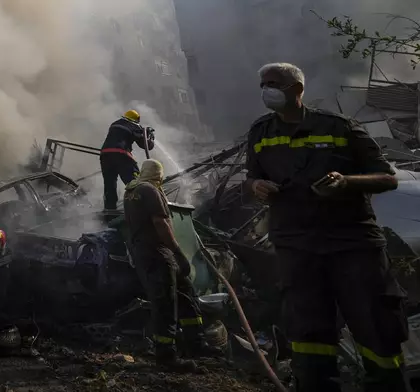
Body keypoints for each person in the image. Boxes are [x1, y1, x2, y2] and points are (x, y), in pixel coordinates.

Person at [245, 62, 407, 391]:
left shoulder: (339, 127)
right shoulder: (260, 133)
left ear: (297, 90)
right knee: (308, 333)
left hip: (353, 244)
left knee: (376, 327)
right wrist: (256, 187)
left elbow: (387, 178)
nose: (266, 91)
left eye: (273, 83)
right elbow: (251, 177)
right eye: (262, 84)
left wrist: (346, 182)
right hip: (296, 246)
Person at [123, 159, 206, 372]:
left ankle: (196, 344)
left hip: (147, 252)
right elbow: (161, 223)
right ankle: (166, 357)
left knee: (185, 293)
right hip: (158, 254)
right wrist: (178, 252)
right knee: (166, 303)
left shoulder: (131, 190)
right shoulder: (150, 190)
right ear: (157, 174)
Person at [100, 109, 155, 211]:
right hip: (121, 155)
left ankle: (110, 209)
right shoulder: (135, 126)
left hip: (105, 155)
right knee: (135, 182)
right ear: (136, 119)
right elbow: (145, 145)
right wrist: (149, 137)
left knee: (109, 184)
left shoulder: (115, 124)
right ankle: (140, 207)